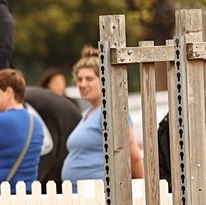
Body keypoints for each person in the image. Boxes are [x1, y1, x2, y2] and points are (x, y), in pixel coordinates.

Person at [61, 46, 144, 182]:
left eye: (89, 79)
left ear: (104, 80)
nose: (82, 84)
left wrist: (141, 187)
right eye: (79, 79)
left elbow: (132, 154)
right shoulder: (89, 113)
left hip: (101, 195)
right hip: (82, 195)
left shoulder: (110, 111)